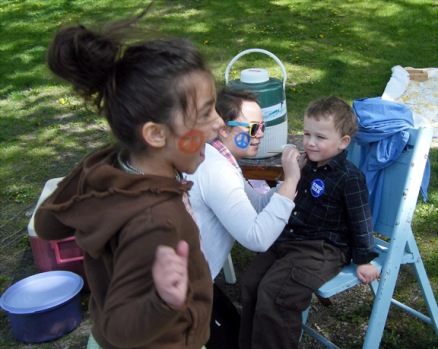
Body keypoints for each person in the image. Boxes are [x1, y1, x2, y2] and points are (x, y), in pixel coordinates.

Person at [33, 7, 223, 349]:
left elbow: (48, 226)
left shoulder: (108, 165)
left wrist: (87, 168)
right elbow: (121, 329)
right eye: (206, 113)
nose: (219, 123)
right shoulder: (157, 221)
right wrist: (163, 300)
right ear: (155, 134)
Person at [239, 96, 380, 349]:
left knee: (276, 294)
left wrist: (364, 259)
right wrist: (295, 172)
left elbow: (361, 220)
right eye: (306, 134)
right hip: (289, 239)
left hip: (322, 248)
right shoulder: (307, 164)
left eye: (320, 138)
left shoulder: (349, 178)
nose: (310, 143)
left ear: (343, 142)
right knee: (251, 283)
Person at [185, 89, 303, 349]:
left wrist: (286, 182)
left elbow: (258, 205)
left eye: (261, 126)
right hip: (181, 289)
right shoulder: (217, 171)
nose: (260, 133)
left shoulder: (218, 158)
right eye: (252, 127)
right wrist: (291, 181)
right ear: (224, 129)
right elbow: (257, 238)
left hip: (191, 279)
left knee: (237, 331)